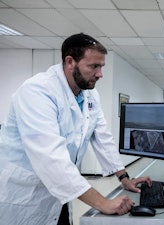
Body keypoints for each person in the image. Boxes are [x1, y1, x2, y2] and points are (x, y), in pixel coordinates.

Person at [0, 33, 152, 225]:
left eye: (101, 66)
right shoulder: (37, 91)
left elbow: (102, 138)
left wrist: (124, 178)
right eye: (93, 66)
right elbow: (51, 159)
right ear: (70, 61)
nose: (100, 74)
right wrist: (103, 203)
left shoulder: (89, 95)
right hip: (25, 195)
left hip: (61, 193)